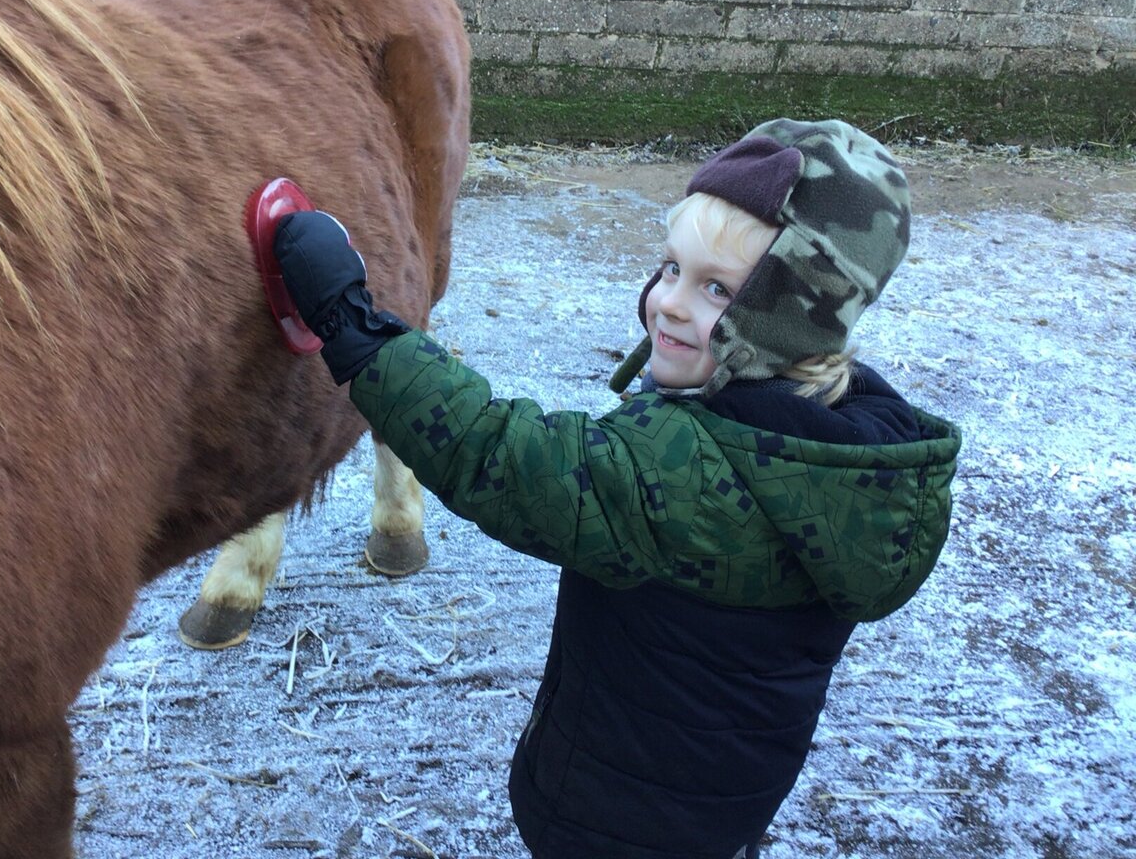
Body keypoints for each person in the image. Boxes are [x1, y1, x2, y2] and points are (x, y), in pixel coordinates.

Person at [272, 118, 961, 859]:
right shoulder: (843, 446)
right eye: (671, 268)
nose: (668, 301)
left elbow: (498, 454)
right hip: (721, 806)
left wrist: (349, 320)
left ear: (794, 319)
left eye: (717, 289)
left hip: (609, 821)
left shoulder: (683, 474)